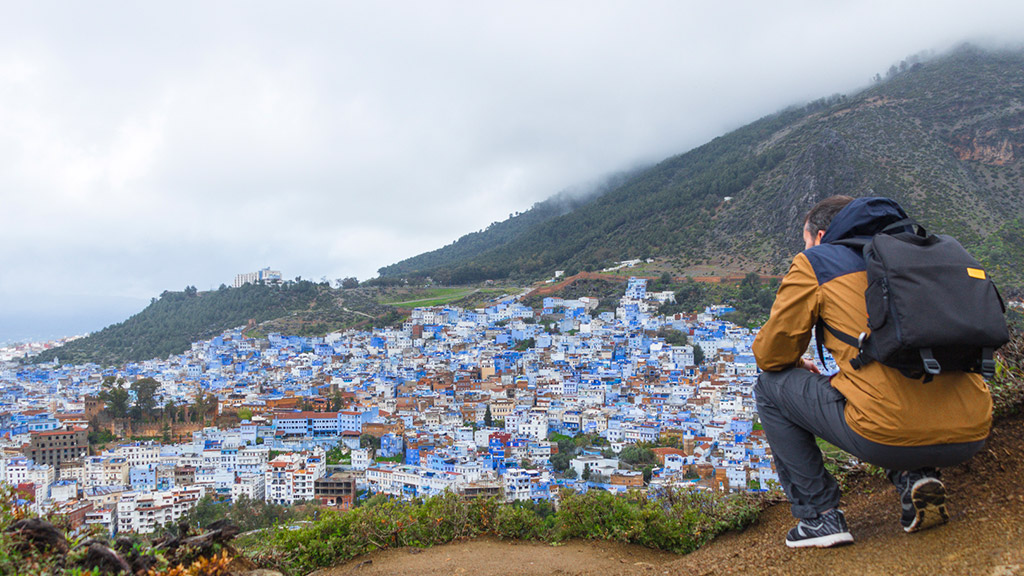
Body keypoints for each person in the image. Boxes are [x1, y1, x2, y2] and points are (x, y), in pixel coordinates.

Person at [751, 195, 992, 548]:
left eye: (805, 241)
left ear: (819, 235)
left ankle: (819, 516)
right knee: (890, 375)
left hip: (888, 434)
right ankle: (915, 480)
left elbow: (770, 355)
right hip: (972, 428)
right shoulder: (929, 256)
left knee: (769, 387)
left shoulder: (818, 262)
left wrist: (796, 362)